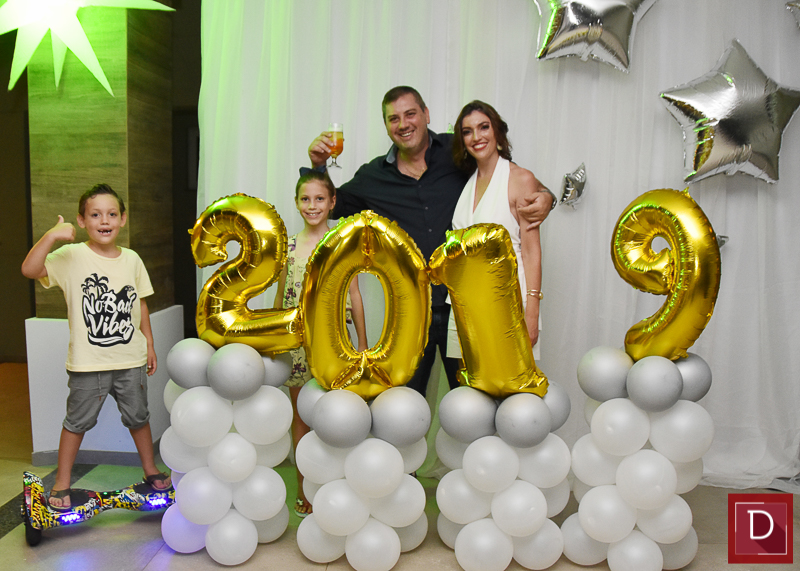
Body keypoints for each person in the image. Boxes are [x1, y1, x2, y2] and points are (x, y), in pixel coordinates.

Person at [306, 86, 555, 397]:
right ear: (386, 126)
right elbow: (334, 205)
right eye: (393, 118)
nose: (403, 124)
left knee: (478, 398)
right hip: (412, 312)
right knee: (403, 403)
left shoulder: (458, 150)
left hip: (464, 308)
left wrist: (547, 196)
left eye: (410, 113)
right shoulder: (373, 176)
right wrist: (318, 167)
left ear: (426, 114)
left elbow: (511, 182)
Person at [21, 184, 170, 511]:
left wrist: (149, 343)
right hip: (88, 364)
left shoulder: (132, 259)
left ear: (123, 219)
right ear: (82, 220)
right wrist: (51, 236)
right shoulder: (71, 256)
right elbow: (30, 270)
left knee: (138, 417)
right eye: (95, 214)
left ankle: (150, 470)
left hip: (130, 360)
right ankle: (62, 482)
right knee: (76, 423)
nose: (104, 221)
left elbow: (140, 303)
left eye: (112, 214)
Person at [273, 171, 368, 517]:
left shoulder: (342, 243)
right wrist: (274, 337)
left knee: (336, 417)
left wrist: (363, 344)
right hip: (297, 346)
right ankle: (305, 490)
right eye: (305, 199)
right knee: (302, 418)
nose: (311, 206)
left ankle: (338, 490)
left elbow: (354, 295)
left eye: (319, 199)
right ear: (297, 202)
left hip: (335, 343)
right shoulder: (288, 247)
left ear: (332, 202)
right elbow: (281, 295)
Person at [448, 100, 544, 360]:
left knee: (511, 382)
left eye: (483, 127)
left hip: (508, 302)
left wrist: (532, 312)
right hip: (466, 304)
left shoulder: (520, 179)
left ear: (497, 131)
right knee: (467, 384)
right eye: (467, 131)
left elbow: (531, 251)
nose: (476, 137)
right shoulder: (467, 182)